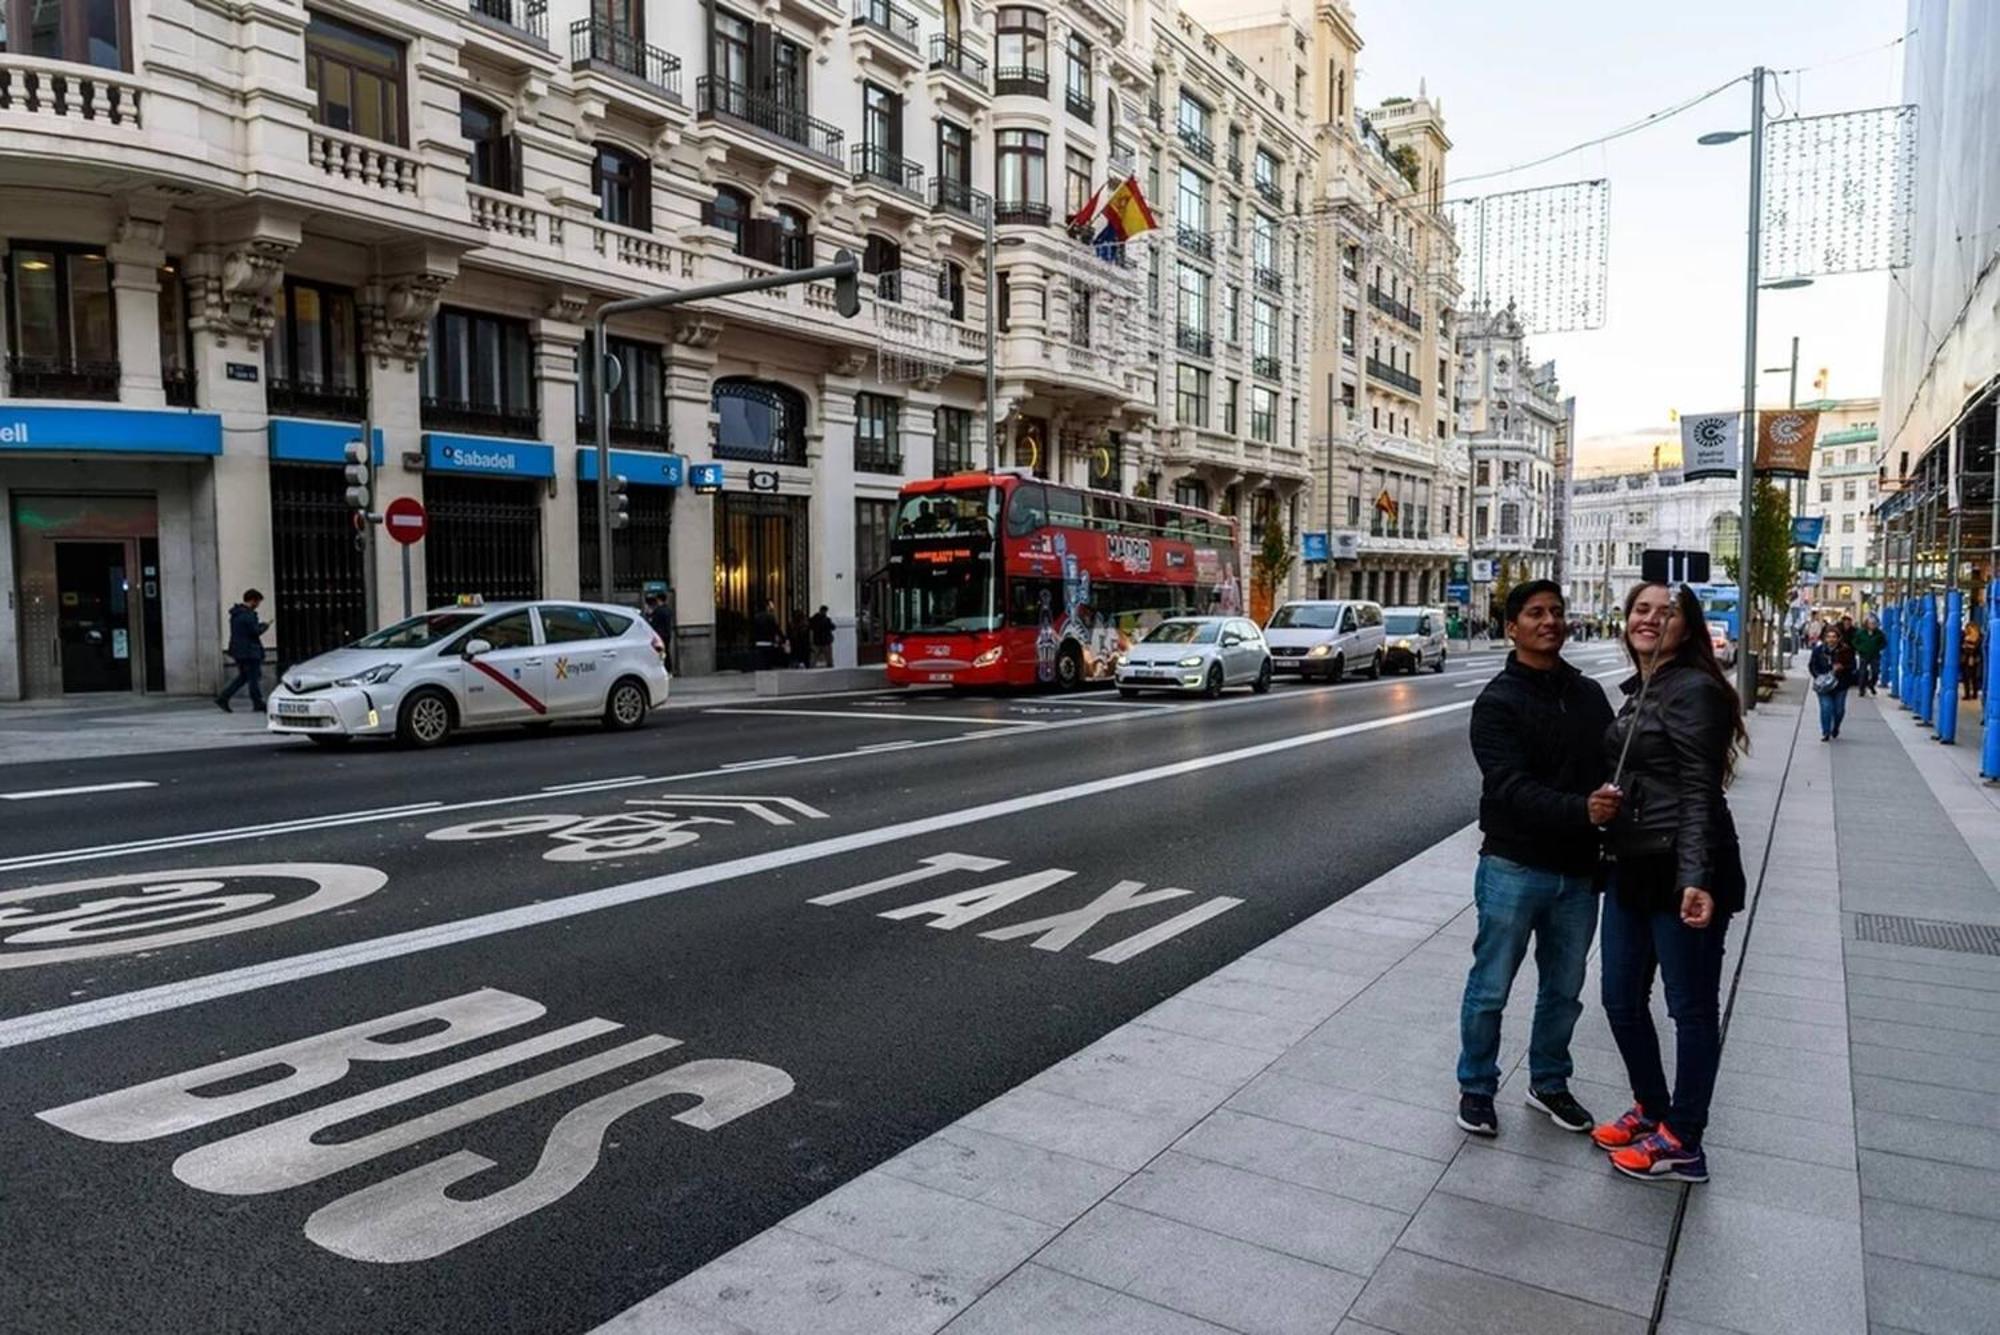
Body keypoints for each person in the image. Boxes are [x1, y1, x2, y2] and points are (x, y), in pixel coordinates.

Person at [1592, 582, 1749, 1184]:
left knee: (1690, 1008)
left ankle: (1684, 1139)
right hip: (1634, 862)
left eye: (1667, 612)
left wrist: (1696, 877)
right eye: (1641, 609)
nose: (1651, 619)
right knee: (1619, 998)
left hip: (1683, 869)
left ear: (1688, 628)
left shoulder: (1694, 691)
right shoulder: (1646, 688)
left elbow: (1699, 791)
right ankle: (1652, 1109)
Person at [1456, 580, 1621, 1139]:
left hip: (1577, 872)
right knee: (1491, 987)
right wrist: (1583, 811)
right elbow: (1507, 787)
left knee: (1564, 990)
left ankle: (1548, 1082)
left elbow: (1614, 764)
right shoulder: (1497, 702)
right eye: (1534, 613)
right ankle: (1477, 1087)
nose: (1549, 621)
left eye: (1556, 612)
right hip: (1514, 866)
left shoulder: (1589, 695)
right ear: (1511, 627)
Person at [215, 589, 270, 713]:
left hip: (238, 650)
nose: (258, 605)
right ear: (253, 600)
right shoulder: (248, 615)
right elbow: (254, 631)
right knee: (253, 678)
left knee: (244, 676)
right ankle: (257, 702)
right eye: (258, 602)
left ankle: (224, 697)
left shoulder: (236, 614)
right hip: (250, 651)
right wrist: (264, 626)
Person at [1808, 623, 1858, 741]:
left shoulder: (1846, 651)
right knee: (1826, 708)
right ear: (1825, 638)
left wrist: (1843, 668)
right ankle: (1826, 732)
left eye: (1834, 636)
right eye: (1829, 636)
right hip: (1823, 685)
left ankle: (1836, 727)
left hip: (1840, 685)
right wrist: (1818, 677)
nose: (1831, 639)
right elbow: (1812, 665)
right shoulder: (1818, 650)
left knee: (1839, 710)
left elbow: (1853, 666)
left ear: (1838, 638)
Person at [1850, 614, 1885, 697]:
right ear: (1867, 624)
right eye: (1871, 623)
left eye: (1874, 623)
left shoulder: (1879, 633)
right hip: (1864, 655)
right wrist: (1860, 649)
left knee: (1875, 672)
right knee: (1862, 672)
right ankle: (1861, 689)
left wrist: (1878, 648)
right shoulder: (1861, 632)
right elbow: (1854, 641)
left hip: (1875, 655)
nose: (1872, 625)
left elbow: (1883, 642)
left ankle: (1871, 684)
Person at [752, 600, 784, 671]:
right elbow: (777, 629)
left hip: (758, 643)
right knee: (768, 664)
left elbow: (753, 630)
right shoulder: (770, 617)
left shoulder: (755, 617)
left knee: (760, 664)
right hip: (768, 643)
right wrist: (783, 639)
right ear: (766, 607)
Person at [1961, 616, 1983, 701]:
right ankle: (1970, 694)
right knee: (1968, 677)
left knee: (1971, 676)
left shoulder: (1976, 637)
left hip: (1972, 658)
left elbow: (1976, 647)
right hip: (1967, 658)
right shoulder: (1967, 636)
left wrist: (1967, 646)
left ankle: (1972, 694)